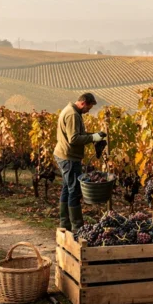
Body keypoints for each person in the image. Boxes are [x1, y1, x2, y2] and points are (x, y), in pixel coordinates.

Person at [53, 93, 106, 231]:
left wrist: (94, 135)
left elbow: (77, 134)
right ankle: (77, 228)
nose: (89, 110)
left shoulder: (71, 111)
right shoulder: (73, 115)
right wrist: (93, 138)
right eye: (89, 107)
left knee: (67, 188)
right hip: (68, 157)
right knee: (74, 190)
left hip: (64, 155)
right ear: (83, 103)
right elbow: (74, 139)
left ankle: (65, 225)